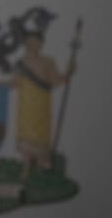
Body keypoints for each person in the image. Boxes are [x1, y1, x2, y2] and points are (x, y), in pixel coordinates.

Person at [12, 31, 74, 179]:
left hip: (41, 104)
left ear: (41, 44)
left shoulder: (48, 61)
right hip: (26, 105)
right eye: (29, 43)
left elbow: (57, 79)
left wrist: (69, 72)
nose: (32, 46)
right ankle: (26, 165)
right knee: (26, 134)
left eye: (35, 42)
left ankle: (42, 160)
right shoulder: (21, 63)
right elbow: (14, 82)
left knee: (41, 131)